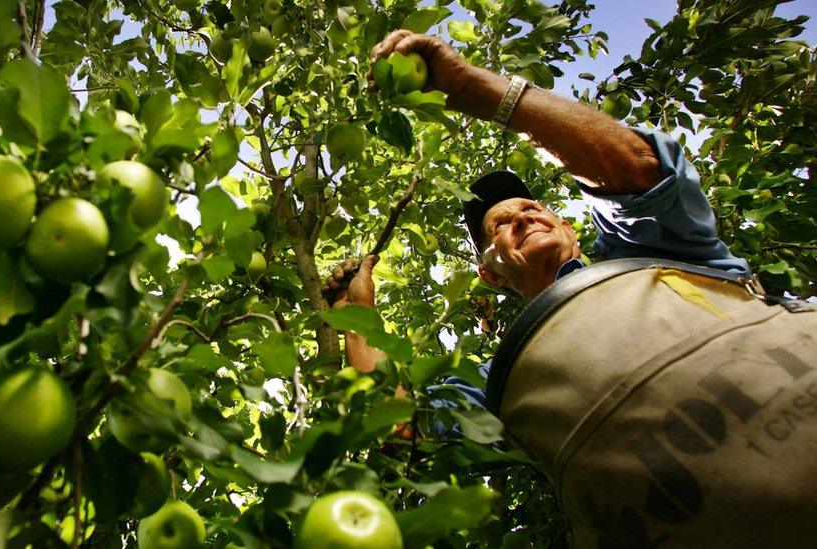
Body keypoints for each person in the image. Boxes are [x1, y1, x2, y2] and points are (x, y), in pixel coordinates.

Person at [323, 30, 817, 548]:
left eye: (533, 208)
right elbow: (400, 428)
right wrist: (357, 317)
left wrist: (475, 90)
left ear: (571, 229)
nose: (523, 216)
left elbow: (640, 169)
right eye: (501, 225)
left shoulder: (657, 254)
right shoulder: (508, 378)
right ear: (489, 273)